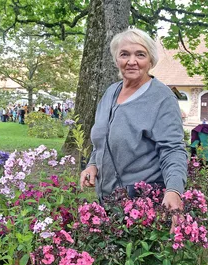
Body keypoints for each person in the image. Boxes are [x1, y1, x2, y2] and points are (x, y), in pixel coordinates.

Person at [79, 28, 188, 212]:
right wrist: (92, 165)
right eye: (124, 54)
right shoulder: (110, 93)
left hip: (141, 206)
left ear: (150, 60)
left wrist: (174, 190)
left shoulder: (162, 98)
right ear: (116, 59)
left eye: (140, 54)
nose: (132, 61)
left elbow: (173, 149)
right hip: (107, 202)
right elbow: (101, 141)